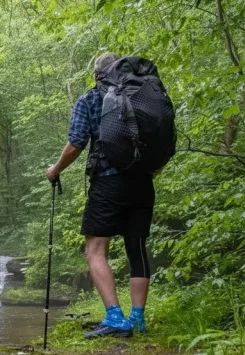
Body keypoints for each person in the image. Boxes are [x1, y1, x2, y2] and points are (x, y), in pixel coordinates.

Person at [45, 52, 156, 339]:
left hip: (107, 183)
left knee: (95, 250)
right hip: (143, 183)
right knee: (137, 248)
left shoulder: (91, 99)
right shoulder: (143, 98)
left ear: (97, 75)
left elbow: (76, 144)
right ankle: (139, 318)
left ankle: (115, 317)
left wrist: (55, 170)